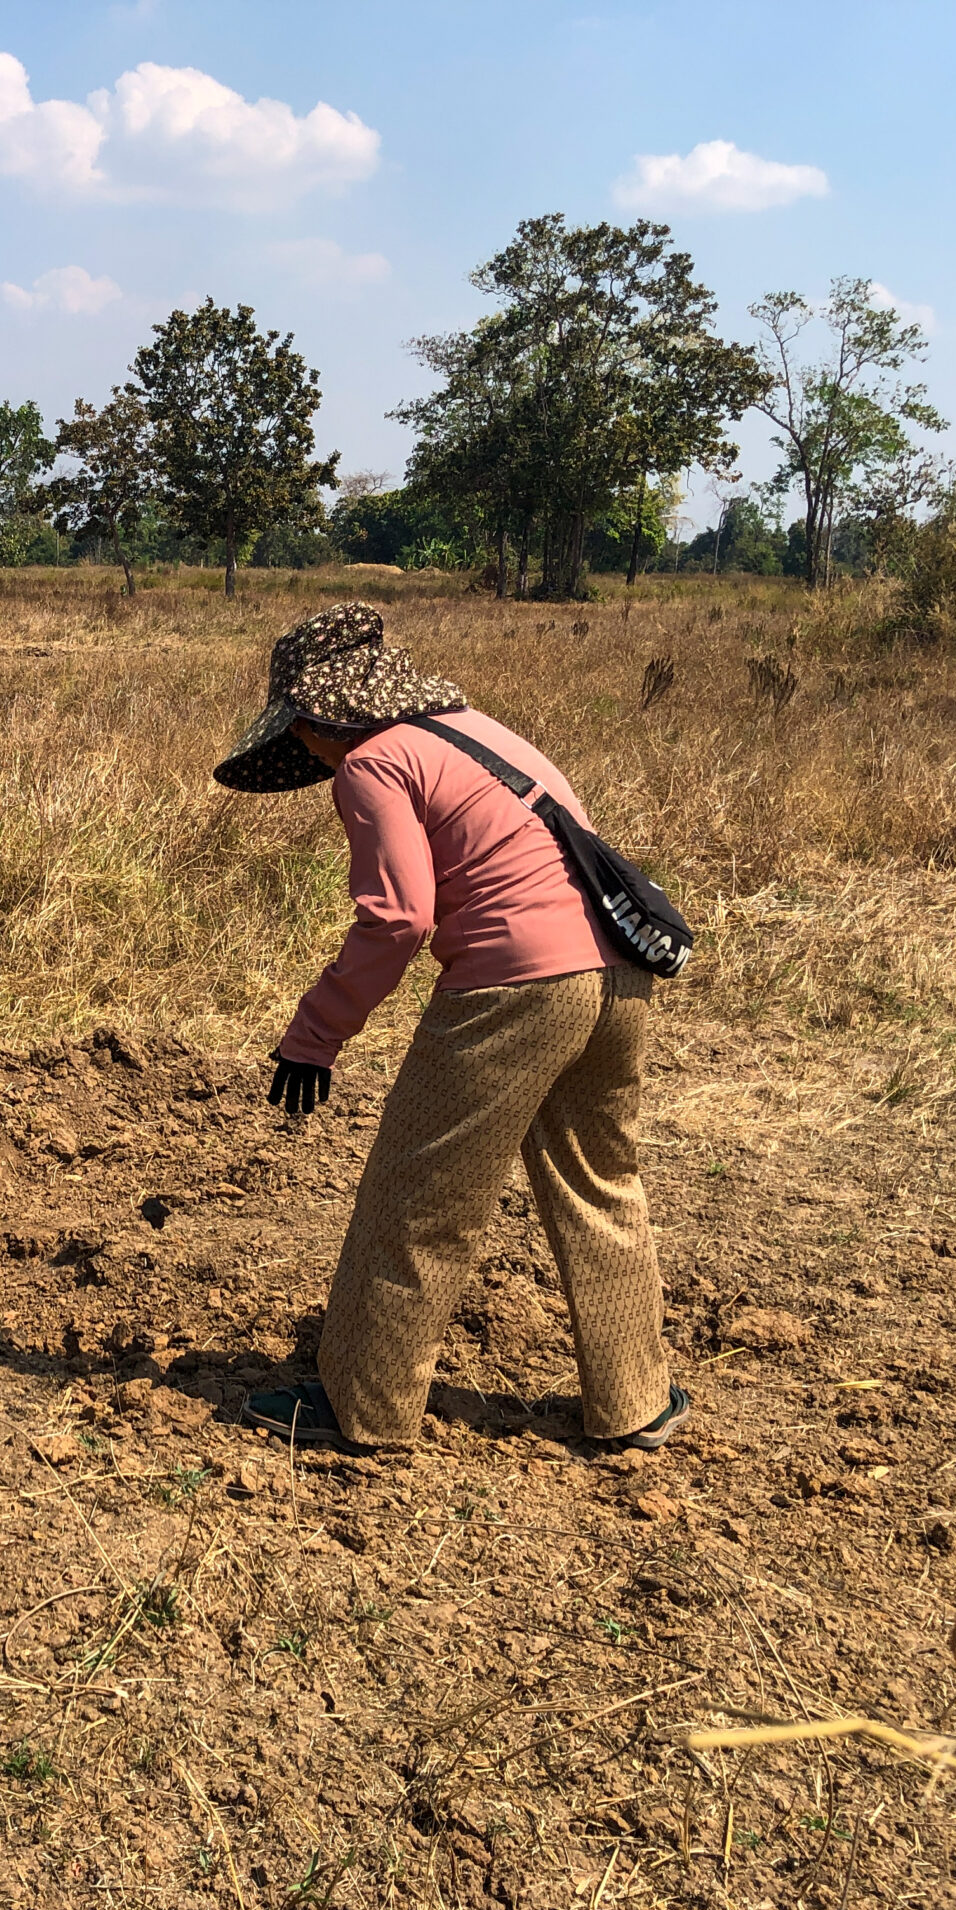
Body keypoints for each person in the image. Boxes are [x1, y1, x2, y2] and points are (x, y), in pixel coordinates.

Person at [211, 603, 692, 1453]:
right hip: (620, 976)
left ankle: (361, 1407)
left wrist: (314, 1034)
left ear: (325, 716)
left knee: (419, 1194)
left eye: (301, 730)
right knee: (600, 1181)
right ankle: (638, 1402)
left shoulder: (373, 762)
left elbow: (398, 918)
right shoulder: (478, 732)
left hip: (515, 990)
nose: (309, 752)